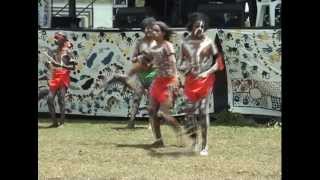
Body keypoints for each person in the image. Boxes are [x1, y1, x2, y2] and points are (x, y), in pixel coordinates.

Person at [98, 17, 157, 129]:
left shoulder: (157, 43)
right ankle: (131, 121)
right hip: (140, 75)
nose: (148, 31)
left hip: (152, 75)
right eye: (146, 28)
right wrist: (140, 57)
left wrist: (152, 62)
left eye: (150, 28)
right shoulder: (140, 42)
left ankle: (151, 123)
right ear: (143, 29)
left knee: (151, 100)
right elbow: (133, 58)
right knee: (136, 98)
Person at [179, 12, 225, 155]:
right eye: (197, 26)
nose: (200, 28)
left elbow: (219, 63)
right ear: (191, 26)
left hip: (205, 80)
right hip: (190, 81)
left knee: (203, 112)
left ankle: (205, 146)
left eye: (202, 26)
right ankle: (194, 142)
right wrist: (184, 70)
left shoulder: (209, 43)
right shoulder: (185, 43)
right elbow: (180, 63)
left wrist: (207, 72)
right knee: (190, 115)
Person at [139, 21, 183, 147]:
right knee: (152, 111)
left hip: (169, 82)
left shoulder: (167, 45)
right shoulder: (152, 47)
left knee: (164, 113)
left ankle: (179, 132)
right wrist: (143, 60)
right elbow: (149, 63)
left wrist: (176, 81)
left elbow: (173, 62)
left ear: (163, 33)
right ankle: (159, 140)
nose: (153, 32)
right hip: (158, 82)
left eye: (156, 30)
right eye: (152, 30)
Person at [46, 32, 77, 128]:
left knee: (61, 99)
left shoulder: (68, 52)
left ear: (63, 40)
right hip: (55, 77)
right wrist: (49, 64)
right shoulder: (53, 51)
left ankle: (62, 123)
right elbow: (50, 65)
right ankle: (54, 122)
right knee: (49, 99)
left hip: (64, 77)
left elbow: (73, 68)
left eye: (57, 38)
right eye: (55, 38)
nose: (55, 40)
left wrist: (60, 65)